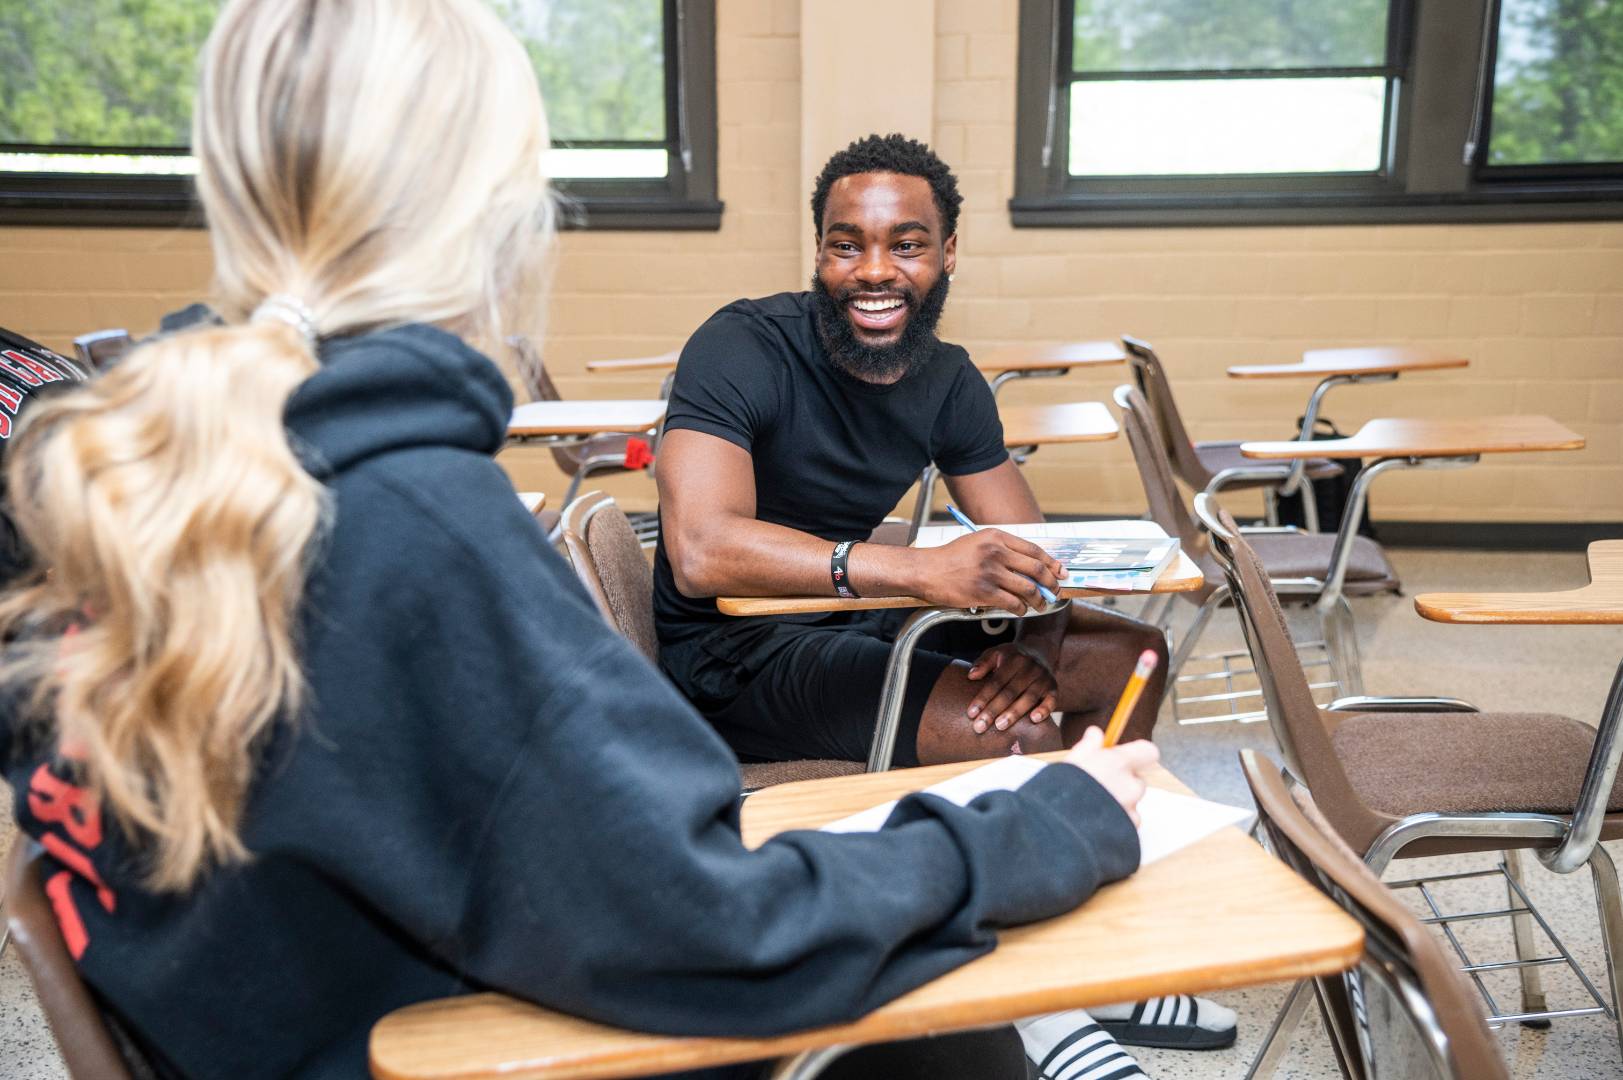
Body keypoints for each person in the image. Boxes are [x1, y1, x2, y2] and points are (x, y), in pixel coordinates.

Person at [0, 3, 1159, 1079]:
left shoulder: (126, 476)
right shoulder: (414, 532)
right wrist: (1046, 826)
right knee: (949, 1037)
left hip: (355, 1017)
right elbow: (724, 936)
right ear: (501, 216)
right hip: (474, 1043)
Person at [653, 135, 1235, 1066]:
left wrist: (1035, 646)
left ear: (949, 251)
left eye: (906, 244)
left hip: (848, 618)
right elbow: (701, 552)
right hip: (735, 653)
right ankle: (1027, 1006)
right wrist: (920, 573)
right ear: (818, 252)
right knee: (1014, 735)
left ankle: (1103, 967)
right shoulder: (741, 345)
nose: (874, 271)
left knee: (1129, 656)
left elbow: (1029, 550)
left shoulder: (947, 379)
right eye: (847, 245)